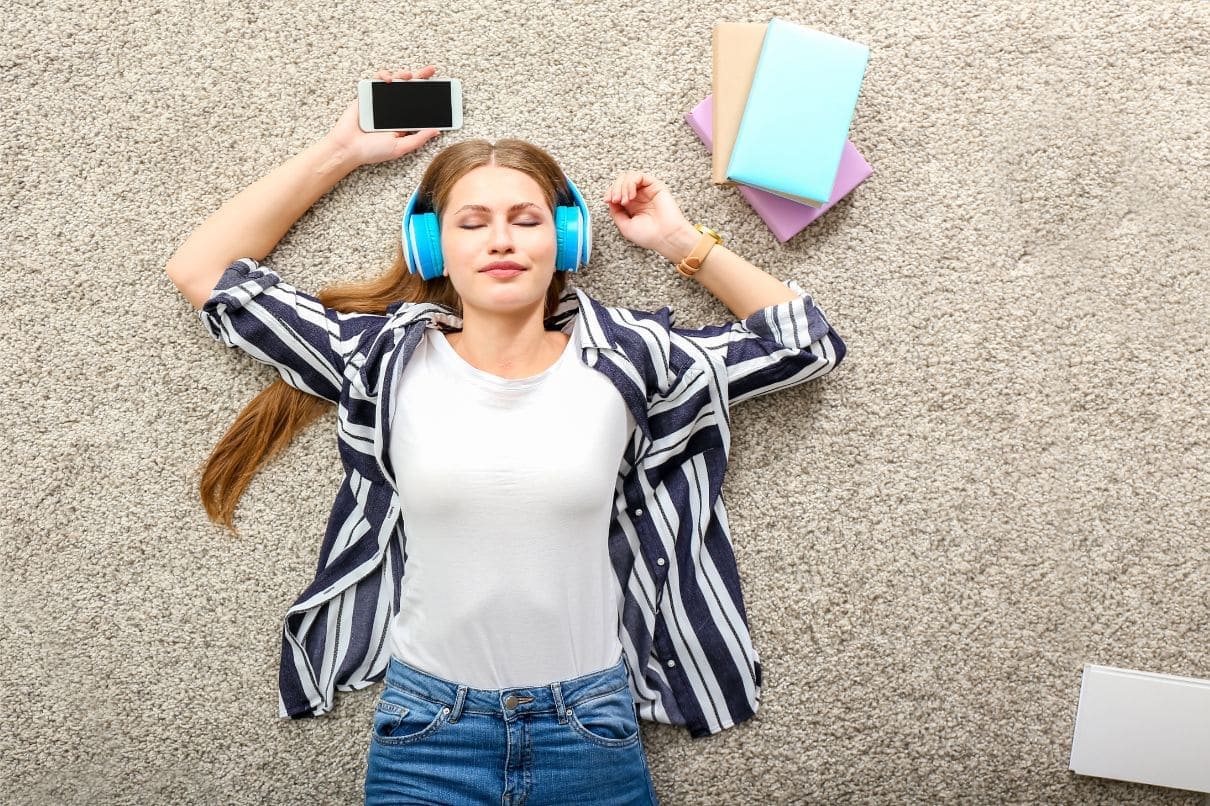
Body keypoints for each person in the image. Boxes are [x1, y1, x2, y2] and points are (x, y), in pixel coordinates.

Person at [167, 65, 847, 805]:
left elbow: (805, 343)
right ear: (433, 248)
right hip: (427, 731)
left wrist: (678, 238)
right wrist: (342, 150)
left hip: (589, 728)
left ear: (566, 237)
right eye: (472, 221)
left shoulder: (636, 362)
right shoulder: (380, 361)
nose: (502, 241)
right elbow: (202, 269)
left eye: (527, 220)